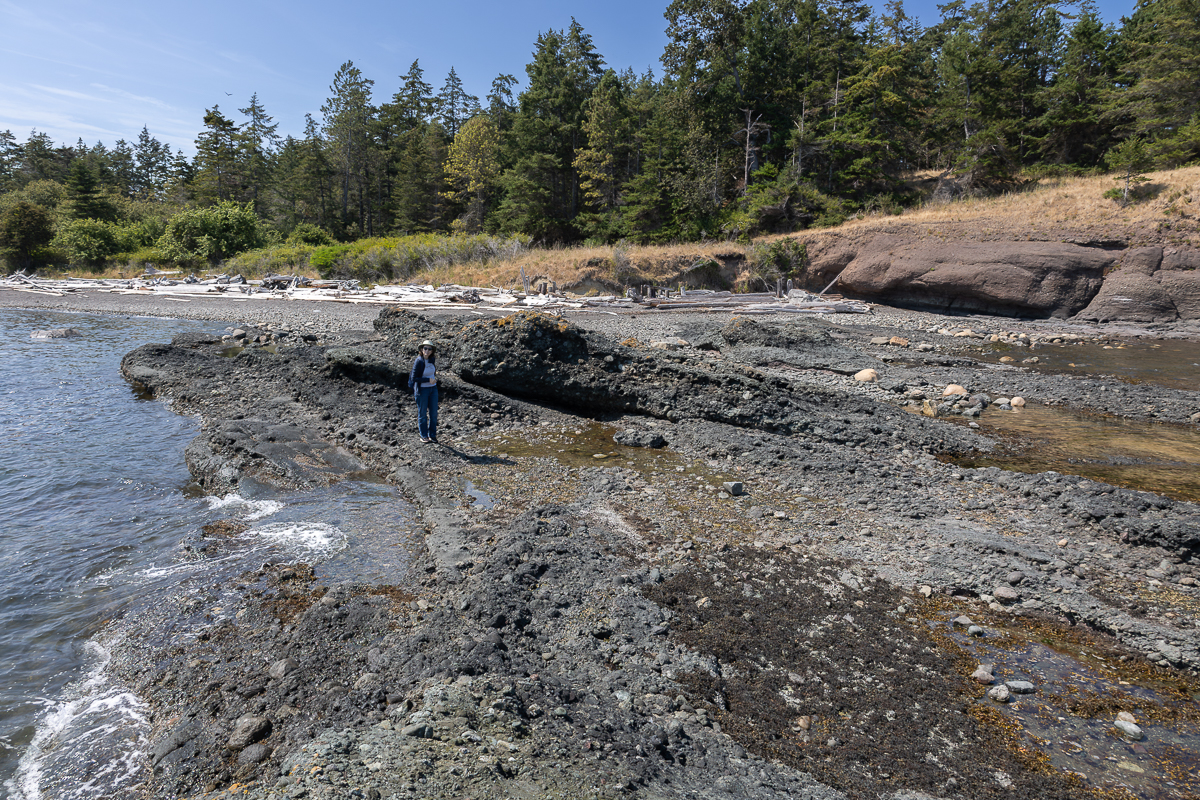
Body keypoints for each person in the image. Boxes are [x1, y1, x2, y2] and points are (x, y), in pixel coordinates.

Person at [408, 340, 439, 443]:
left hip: (433, 389)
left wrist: (433, 379)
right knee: (422, 414)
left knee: (433, 413)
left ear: (432, 351)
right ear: (421, 349)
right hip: (422, 390)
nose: (427, 350)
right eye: (425, 348)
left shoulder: (432, 359)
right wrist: (428, 380)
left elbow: (432, 372)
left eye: (429, 349)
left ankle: (432, 435)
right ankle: (424, 435)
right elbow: (414, 378)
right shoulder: (419, 361)